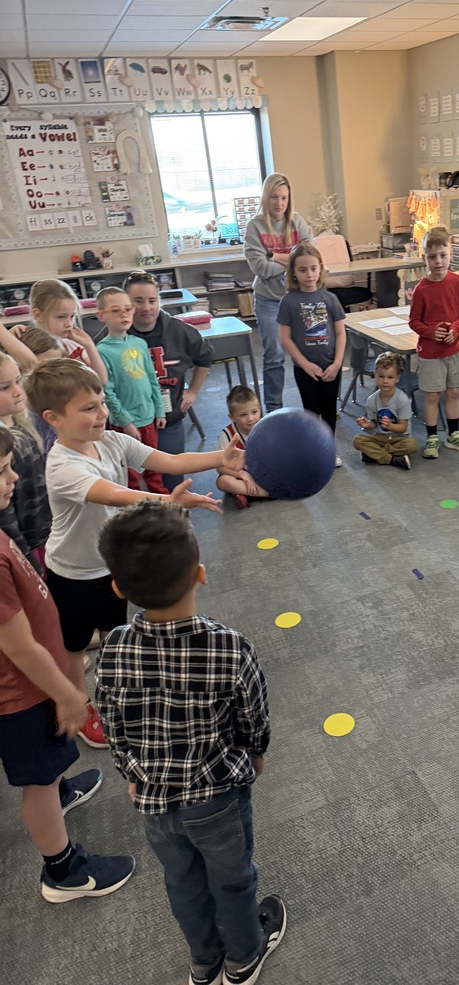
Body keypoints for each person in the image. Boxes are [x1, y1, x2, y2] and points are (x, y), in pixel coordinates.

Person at [95, 502, 286, 985]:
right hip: (218, 795)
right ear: (201, 574)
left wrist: (131, 775)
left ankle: (204, 963)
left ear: (118, 588)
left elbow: (113, 724)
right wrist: (255, 754)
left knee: (182, 881)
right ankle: (243, 957)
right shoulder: (228, 648)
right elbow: (253, 716)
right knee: (233, 877)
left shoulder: (115, 646)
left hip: (154, 801)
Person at [24, 359, 245, 748]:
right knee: (73, 647)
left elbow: (170, 461)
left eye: (101, 403)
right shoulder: (62, 465)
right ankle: (82, 706)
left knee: (114, 634)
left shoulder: (110, 441)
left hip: (111, 565)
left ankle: (114, 693)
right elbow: (115, 494)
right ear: (53, 417)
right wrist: (165, 502)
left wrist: (217, 459)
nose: (101, 413)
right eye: (88, 408)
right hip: (72, 573)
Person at [0, 424, 135, 903]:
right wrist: (67, 693)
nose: (14, 477)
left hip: (31, 682)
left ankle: (57, 792)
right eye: (1, 471)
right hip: (20, 693)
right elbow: (16, 647)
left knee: (49, 770)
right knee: (37, 776)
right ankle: (62, 872)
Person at [120, 271, 213, 491]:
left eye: (152, 301)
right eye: (138, 301)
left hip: (168, 420)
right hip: (130, 423)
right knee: (130, 481)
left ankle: (174, 516)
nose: (146, 308)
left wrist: (193, 392)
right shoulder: (115, 334)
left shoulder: (180, 331)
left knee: (172, 476)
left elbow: (205, 358)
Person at [244, 173, 313, 411]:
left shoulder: (297, 222)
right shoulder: (255, 226)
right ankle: (273, 408)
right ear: (266, 197)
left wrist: (275, 255)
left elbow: (310, 259)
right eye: (274, 197)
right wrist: (293, 260)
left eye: (284, 197)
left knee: (307, 351)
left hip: (298, 299)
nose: (279, 203)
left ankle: (313, 404)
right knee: (274, 355)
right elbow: (260, 268)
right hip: (268, 301)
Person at [276, 243, 346, 466]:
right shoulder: (288, 301)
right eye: (303, 270)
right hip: (305, 369)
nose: (309, 274)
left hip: (330, 367)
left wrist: (336, 364)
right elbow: (285, 338)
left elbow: (341, 333)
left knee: (329, 410)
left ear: (321, 269)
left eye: (314, 268)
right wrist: (305, 365)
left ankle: (328, 449)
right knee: (311, 412)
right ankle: (314, 449)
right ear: (294, 273)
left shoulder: (330, 299)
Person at [408, 227, 459, 459]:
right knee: (432, 395)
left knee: (454, 392)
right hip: (430, 353)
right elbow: (414, 321)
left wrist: (455, 329)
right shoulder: (421, 290)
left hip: (454, 349)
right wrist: (430, 332)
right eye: (432, 256)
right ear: (424, 257)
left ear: (451, 253)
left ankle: (454, 435)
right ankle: (432, 437)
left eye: (443, 255)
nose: (438, 261)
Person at [96, 286, 168, 494]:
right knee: (130, 472)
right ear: (102, 315)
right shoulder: (102, 351)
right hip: (125, 424)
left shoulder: (140, 343)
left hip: (149, 419)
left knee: (155, 465)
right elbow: (107, 392)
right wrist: (126, 423)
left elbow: (152, 380)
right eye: (116, 310)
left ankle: (163, 503)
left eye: (128, 309)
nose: (124, 314)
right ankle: (134, 508)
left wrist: (159, 410)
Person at [0, 353, 51, 574]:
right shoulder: (5, 444)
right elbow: (6, 515)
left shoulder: (22, 423)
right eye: (4, 387)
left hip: (42, 531)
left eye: (18, 381)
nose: (18, 391)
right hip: (25, 542)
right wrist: (28, 561)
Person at [26, 278, 108, 384]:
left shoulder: (72, 345)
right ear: (38, 315)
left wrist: (89, 346)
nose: (69, 324)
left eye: (72, 316)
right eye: (61, 317)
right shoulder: (33, 350)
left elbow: (101, 380)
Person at [353, 351, 418, 470]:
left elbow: (403, 427)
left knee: (412, 445)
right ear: (375, 375)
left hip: (400, 438)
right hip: (380, 437)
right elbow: (374, 423)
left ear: (397, 378)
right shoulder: (372, 399)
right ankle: (392, 459)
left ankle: (375, 454)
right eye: (381, 376)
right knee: (358, 440)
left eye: (390, 377)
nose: (385, 381)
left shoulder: (402, 399)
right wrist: (368, 424)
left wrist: (390, 426)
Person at [18, 327, 65, 462]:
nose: (54, 374)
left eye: (58, 365)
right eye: (46, 368)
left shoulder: (58, 397)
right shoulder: (23, 408)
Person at [216, 385, 264, 508]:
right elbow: (220, 468)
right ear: (231, 417)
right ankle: (268, 493)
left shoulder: (267, 427)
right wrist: (243, 475)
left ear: (260, 409)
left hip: (265, 473)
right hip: (241, 476)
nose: (250, 419)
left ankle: (246, 494)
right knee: (223, 481)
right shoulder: (226, 435)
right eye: (243, 415)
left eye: (254, 412)